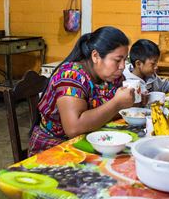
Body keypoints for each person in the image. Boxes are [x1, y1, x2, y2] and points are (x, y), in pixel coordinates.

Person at [28, 26, 135, 156]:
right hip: (55, 148)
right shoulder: (71, 77)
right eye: (117, 60)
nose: (122, 66)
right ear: (95, 56)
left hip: (91, 140)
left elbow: (111, 111)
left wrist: (131, 101)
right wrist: (117, 103)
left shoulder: (111, 77)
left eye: (125, 60)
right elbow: (74, 128)